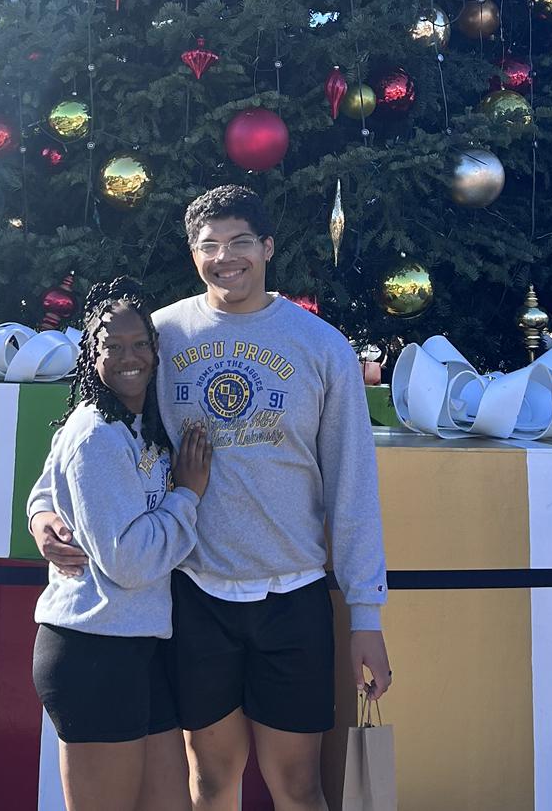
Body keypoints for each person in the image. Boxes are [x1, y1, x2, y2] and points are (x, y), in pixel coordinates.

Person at [31, 186, 389, 811]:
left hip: (293, 597)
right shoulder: (158, 338)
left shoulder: (322, 346)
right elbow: (89, 432)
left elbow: (353, 488)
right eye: (210, 245)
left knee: (299, 785)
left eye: (241, 241)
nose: (227, 258)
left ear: (268, 246)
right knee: (210, 782)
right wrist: (40, 513)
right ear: (192, 253)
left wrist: (367, 618)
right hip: (196, 597)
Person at [29, 278, 212, 811]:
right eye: (113, 346)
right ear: (92, 352)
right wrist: (187, 496)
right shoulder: (95, 433)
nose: (129, 357)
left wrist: (40, 516)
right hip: (94, 648)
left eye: (140, 344)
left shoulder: (140, 422)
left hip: (140, 644)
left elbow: (47, 488)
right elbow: (129, 562)